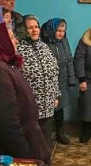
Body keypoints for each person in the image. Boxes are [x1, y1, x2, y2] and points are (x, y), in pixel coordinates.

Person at [0, 23, 51, 166]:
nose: (16, 41)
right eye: (12, 38)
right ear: (0, 41)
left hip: (24, 141)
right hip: (10, 152)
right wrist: (23, 157)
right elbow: (6, 121)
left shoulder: (0, 64)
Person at [17, 15, 60, 148]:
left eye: (36, 27)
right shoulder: (19, 50)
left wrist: (55, 95)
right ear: (23, 30)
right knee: (33, 144)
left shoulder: (44, 47)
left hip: (47, 105)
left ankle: (45, 161)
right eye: (30, 28)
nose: (35, 30)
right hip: (30, 106)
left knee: (46, 143)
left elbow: (54, 72)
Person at [41, 17, 77, 145]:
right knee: (48, 108)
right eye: (58, 30)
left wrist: (71, 79)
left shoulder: (64, 41)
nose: (61, 33)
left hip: (61, 79)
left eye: (63, 31)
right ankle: (46, 134)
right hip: (48, 80)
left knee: (59, 107)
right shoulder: (44, 43)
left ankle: (60, 133)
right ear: (52, 30)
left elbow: (69, 60)